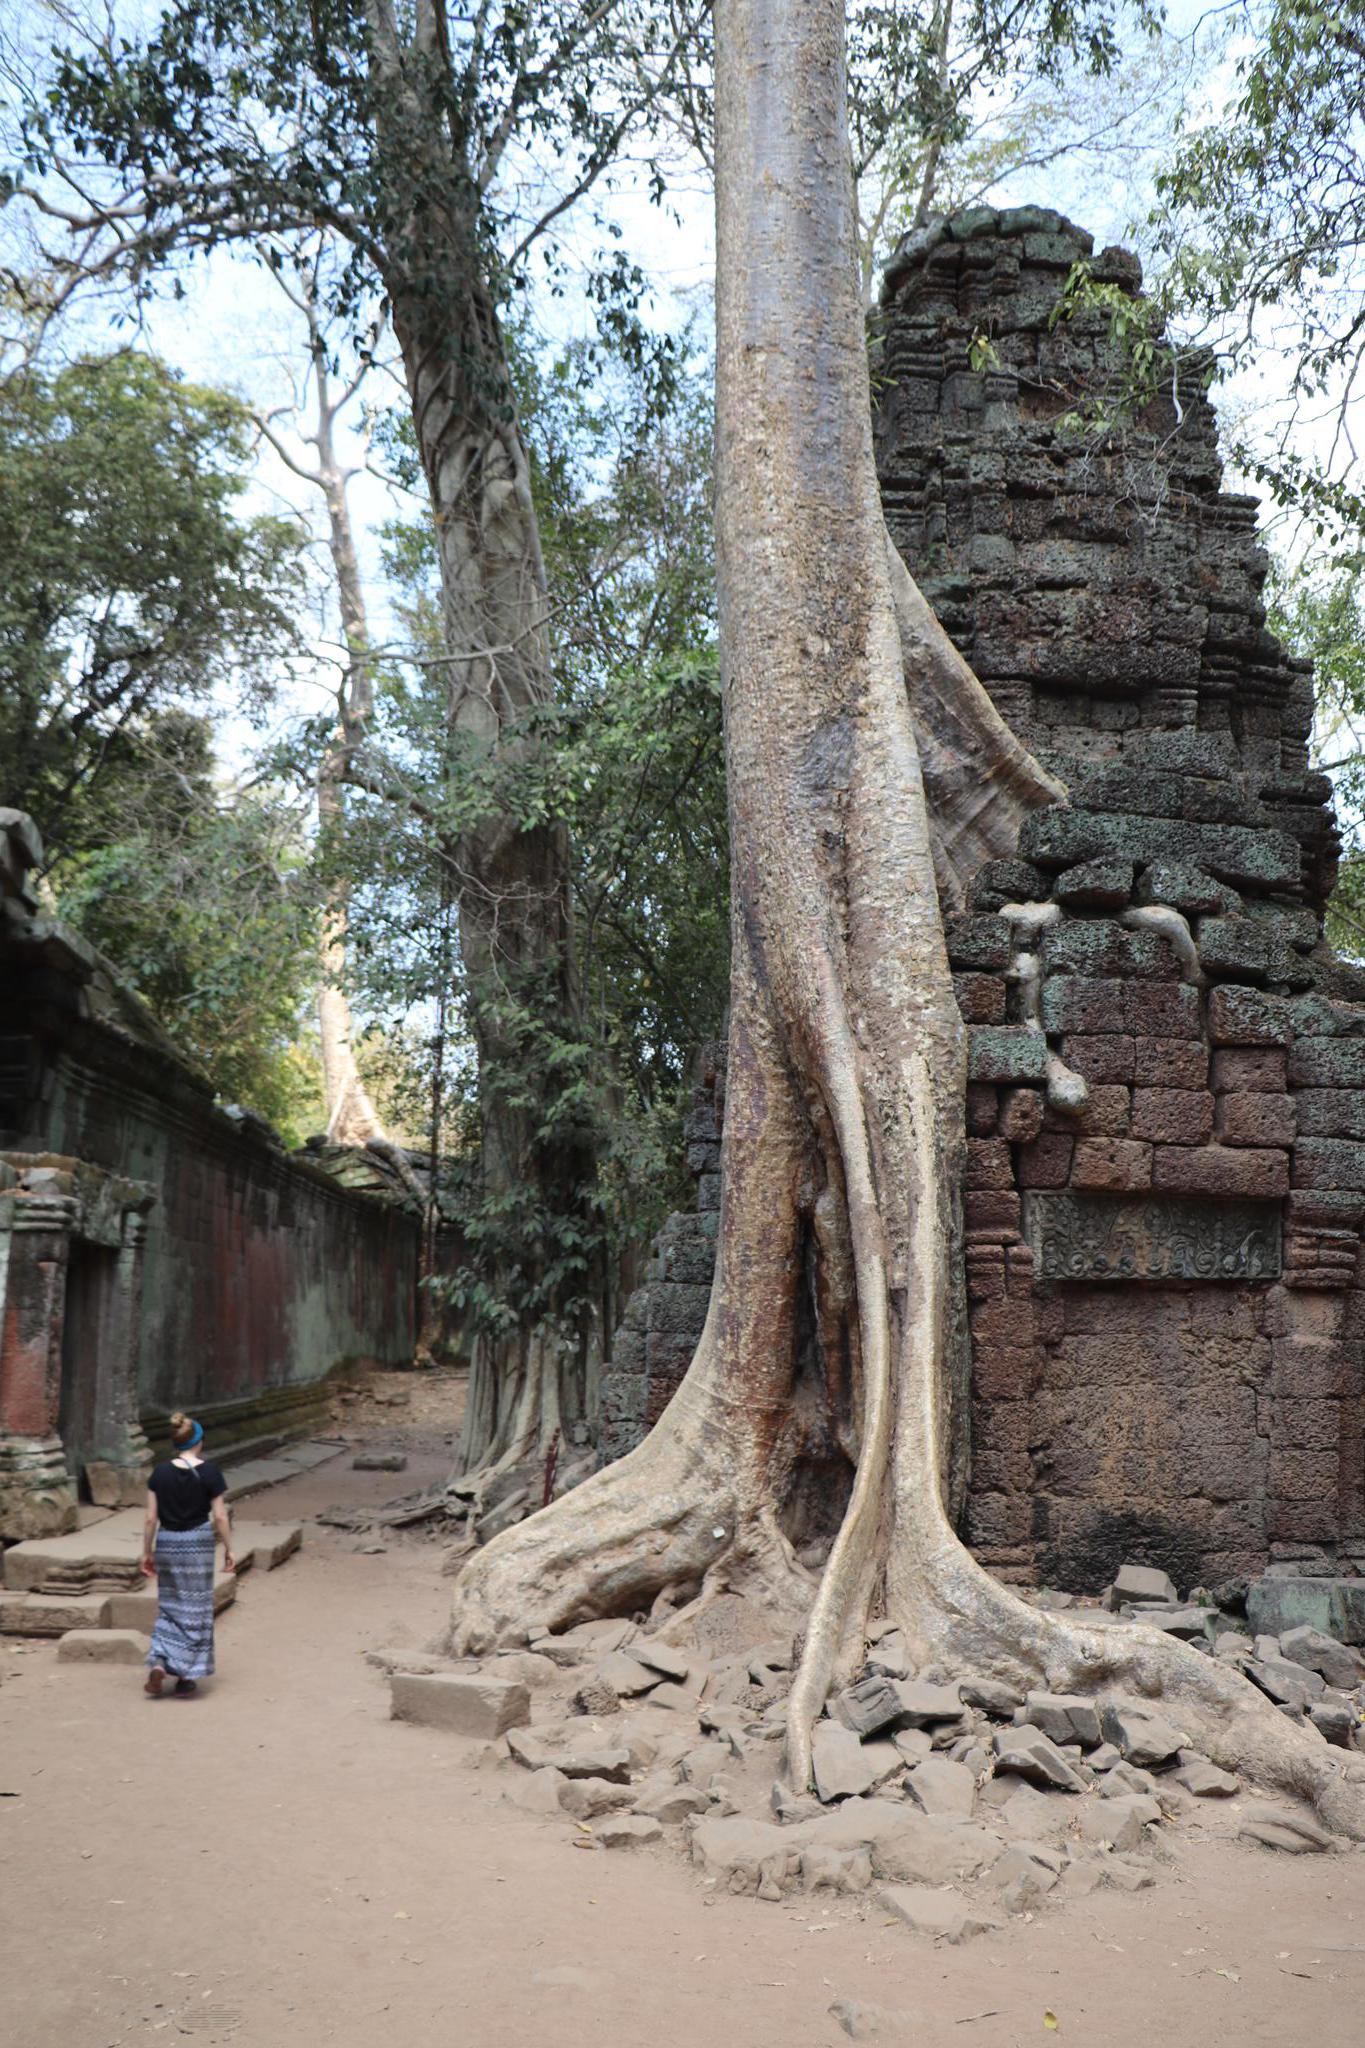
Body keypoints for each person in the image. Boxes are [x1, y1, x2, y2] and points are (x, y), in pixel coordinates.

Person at [140, 1413, 236, 1698]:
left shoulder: (159, 1473)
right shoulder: (210, 1472)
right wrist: (230, 1548)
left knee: (169, 1605)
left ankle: (159, 1662)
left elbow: (150, 1518)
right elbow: (219, 1515)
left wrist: (147, 1551)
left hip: (167, 1542)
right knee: (195, 1610)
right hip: (197, 1544)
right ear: (199, 1441)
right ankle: (184, 1676)